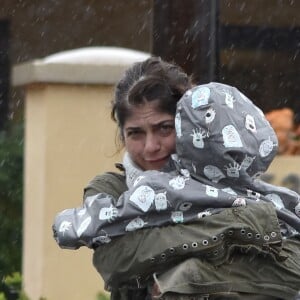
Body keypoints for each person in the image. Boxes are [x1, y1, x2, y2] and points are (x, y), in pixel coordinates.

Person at [53, 57, 300, 299]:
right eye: (135, 133)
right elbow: (115, 259)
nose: (151, 146)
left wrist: (187, 273)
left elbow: (283, 259)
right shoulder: (112, 190)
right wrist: (232, 226)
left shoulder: (230, 186)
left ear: (189, 128)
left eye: (164, 128)